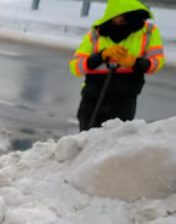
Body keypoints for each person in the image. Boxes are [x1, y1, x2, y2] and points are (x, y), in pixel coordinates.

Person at [69, 0, 166, 131]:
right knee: (87, 141)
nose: (119, 21)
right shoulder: (98, 32)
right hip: (93, 98)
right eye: (116, 17)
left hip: (124, 99)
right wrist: (101, 56)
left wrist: (134, 63)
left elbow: (157, 62)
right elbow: (75, 67)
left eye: (123, 17)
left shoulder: (148, 31)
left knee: (115, 141)